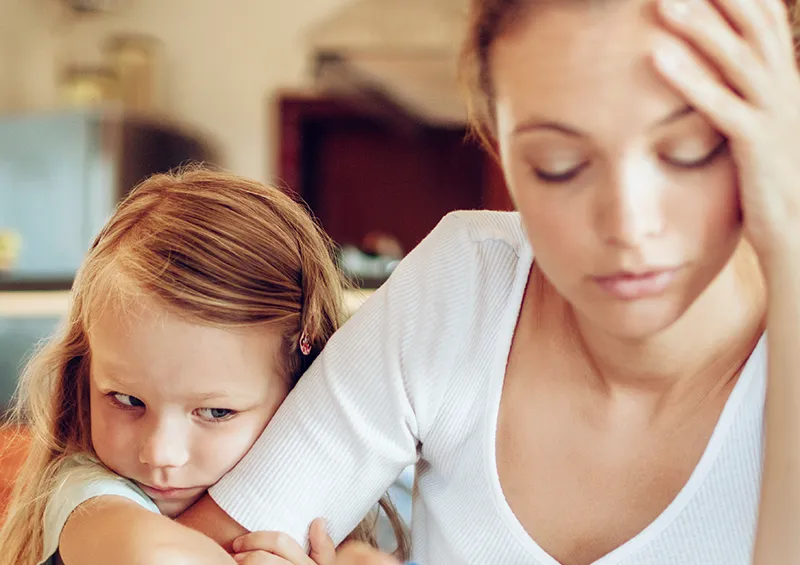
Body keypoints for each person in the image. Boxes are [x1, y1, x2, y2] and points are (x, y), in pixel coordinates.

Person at [171, 0, 800, 563]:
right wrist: (81, 499)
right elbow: (193, 551)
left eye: (689, 149)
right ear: (499, 145)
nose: (629, 225)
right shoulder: (466, 286)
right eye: (559, 165)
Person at [0, 169, 408, 565]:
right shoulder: (87, 492)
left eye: (216, 412)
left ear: (301, 389)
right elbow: (151, 557)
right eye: (126, 399)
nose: (160, 453)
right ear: (84, 372)